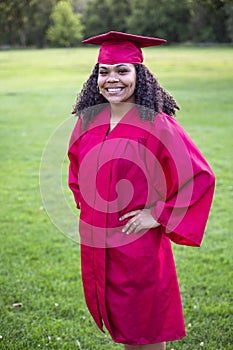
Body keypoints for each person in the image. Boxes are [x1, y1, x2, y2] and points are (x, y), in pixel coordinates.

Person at [68, 31, 215, 350]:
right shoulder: (88, 123)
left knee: (145, 329)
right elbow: (76, 170)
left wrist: (157, 214)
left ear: (140, 75)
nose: (112, 79)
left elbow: (199, 177)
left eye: (122, 70)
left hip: (138, 249)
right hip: (98, 246)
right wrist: (92, 209)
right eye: (104, 72)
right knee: (124, 328)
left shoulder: (156, 124)